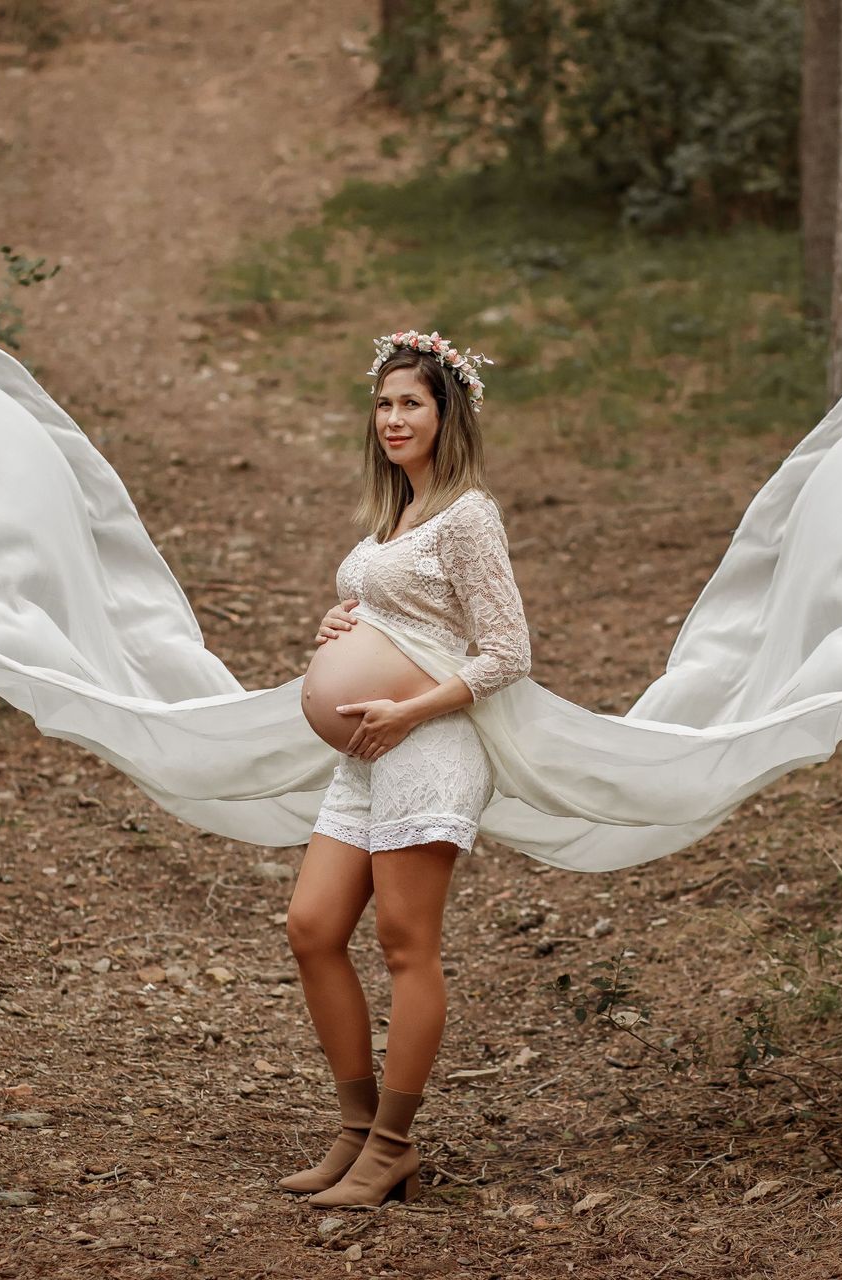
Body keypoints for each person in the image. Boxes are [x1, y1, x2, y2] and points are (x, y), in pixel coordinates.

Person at [277, 332, 530, 1208]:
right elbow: (399, 615)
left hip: (428, 742)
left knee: (404, 944)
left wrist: (406, 707)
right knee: (310, 926)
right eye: (383, 403)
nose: (392, 418)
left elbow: (507, 652)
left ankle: (391, 1147)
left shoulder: (468, 516)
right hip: (368, 750)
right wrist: (338, 629)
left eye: (411, 403)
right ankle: (351, 1131)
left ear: (445, 413)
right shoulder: (394, 517)